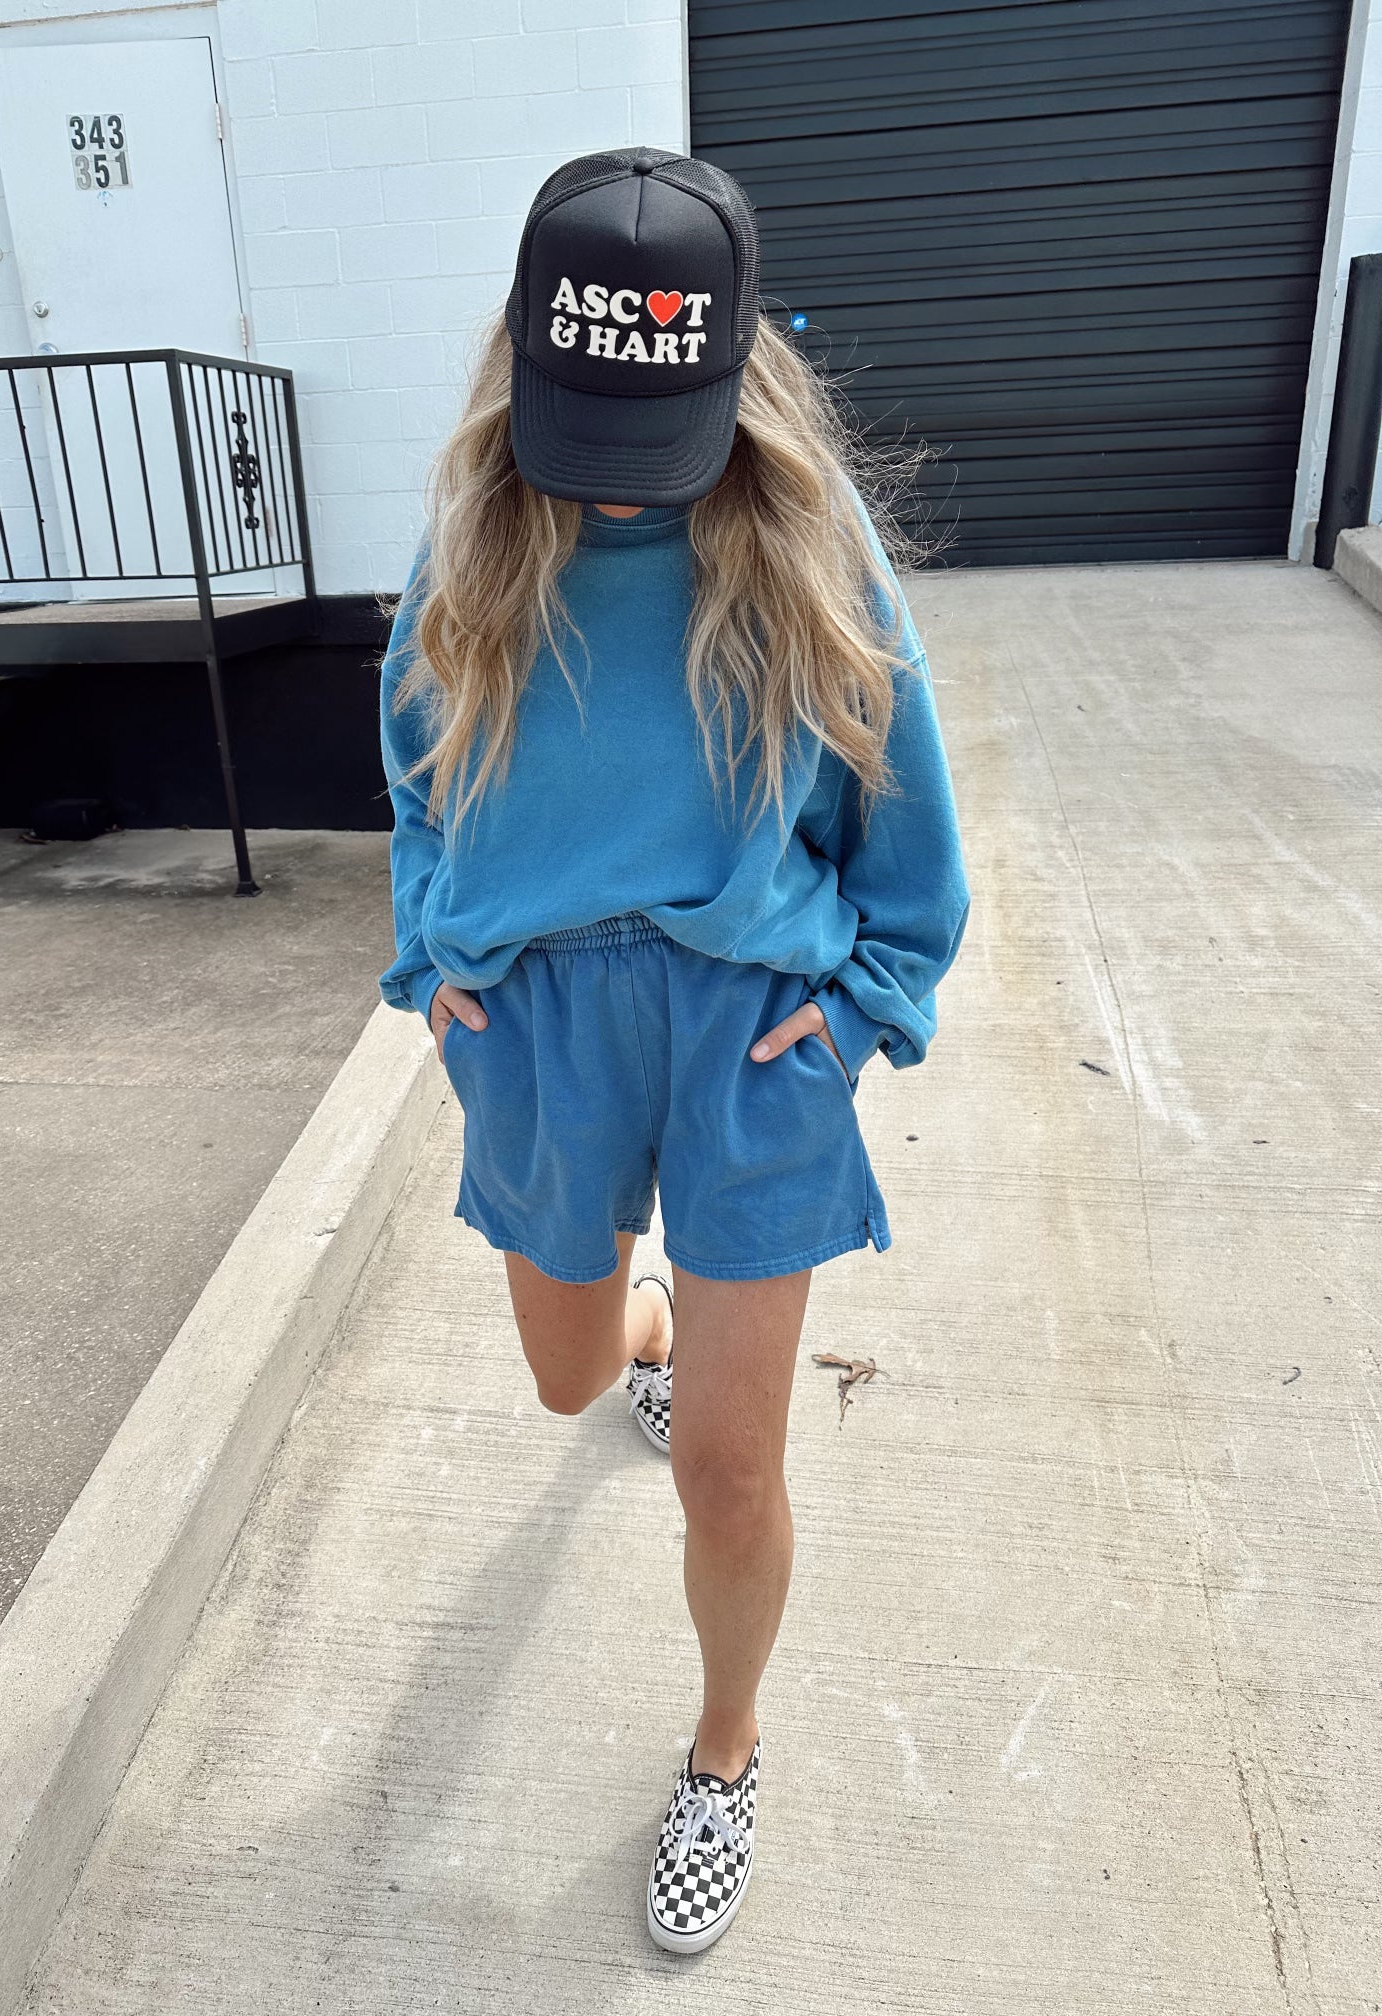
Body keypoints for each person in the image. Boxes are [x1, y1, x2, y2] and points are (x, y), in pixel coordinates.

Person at [378, 146, 970, 1955]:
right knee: (566, 1382)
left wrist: (864, 1002)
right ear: (524, 366)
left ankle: (726, 1750)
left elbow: (905, 812)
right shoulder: (479, 527)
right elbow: (417, 767)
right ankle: (646, 1341)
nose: (622, 479)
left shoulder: (806, 539)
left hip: (747, 1032)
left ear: (735, 377)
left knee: (732, 1466)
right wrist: (432, 950)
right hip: (541, 1023)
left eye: (663, 431)